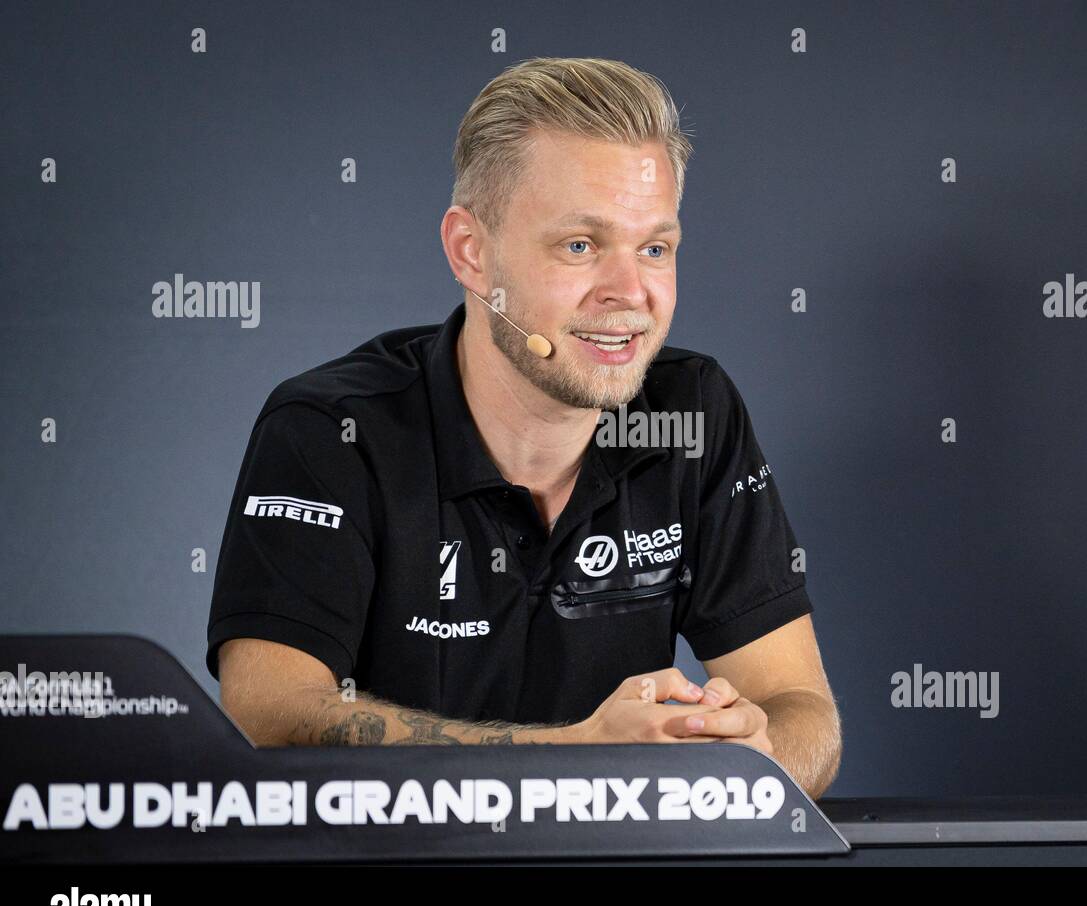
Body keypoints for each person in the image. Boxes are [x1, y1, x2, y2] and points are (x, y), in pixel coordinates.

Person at [208, 57, 840, 798]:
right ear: (471, 253)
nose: (630, 293)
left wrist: (746, 754)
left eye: (655, 248)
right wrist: (576, 760)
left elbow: (805, 713)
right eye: (580, 245)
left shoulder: (690, 413)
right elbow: (274, 714)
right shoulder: (331, 430)